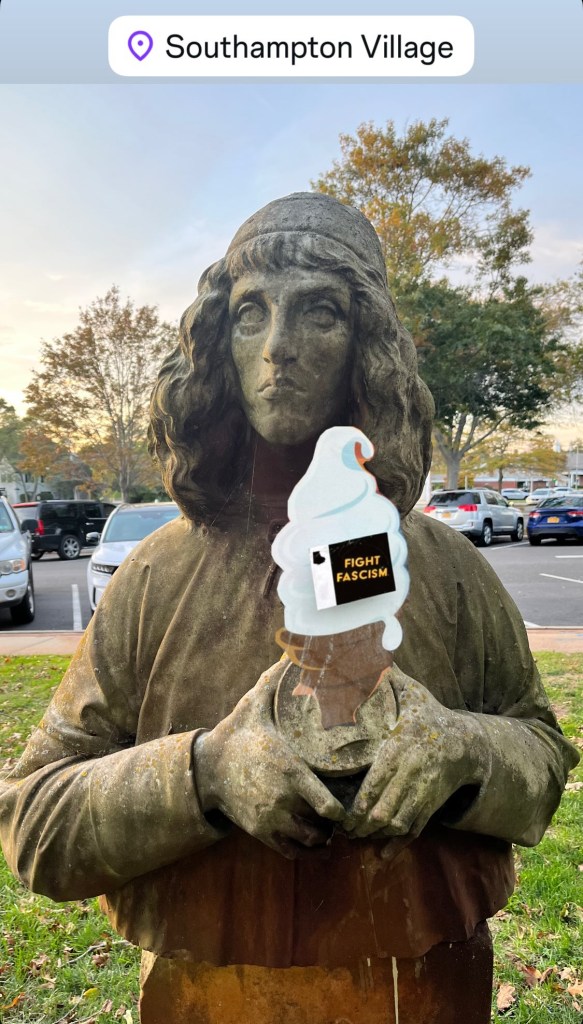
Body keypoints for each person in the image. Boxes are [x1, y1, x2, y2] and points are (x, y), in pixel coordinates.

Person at [0, 193, 578, 1024]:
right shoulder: (156, 578)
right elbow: (33, 823)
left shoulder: (446, 570)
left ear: (365, 343)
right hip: (207, 992)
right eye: (250, 314)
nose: (278, 346)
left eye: (319, 312)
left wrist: (463, 750)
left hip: (425, 987)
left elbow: (542, 757)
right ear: (219, 344)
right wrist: (203, 774)